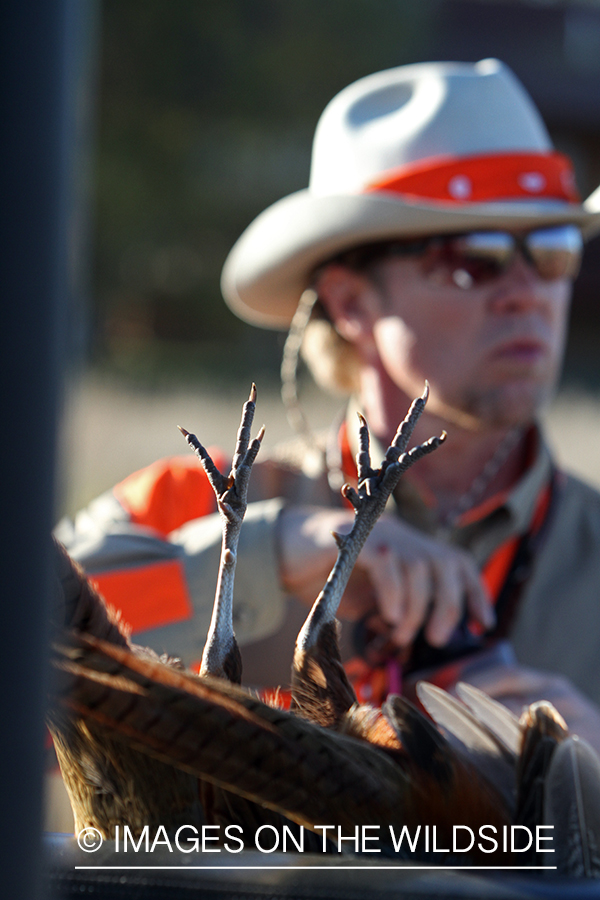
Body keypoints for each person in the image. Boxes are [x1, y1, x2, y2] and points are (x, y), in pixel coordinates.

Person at [57, 59, 600, 742]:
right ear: (349, 301)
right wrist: (266, 556)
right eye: (476, 255)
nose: (527, 292)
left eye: (552, 250)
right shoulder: (203, 506)